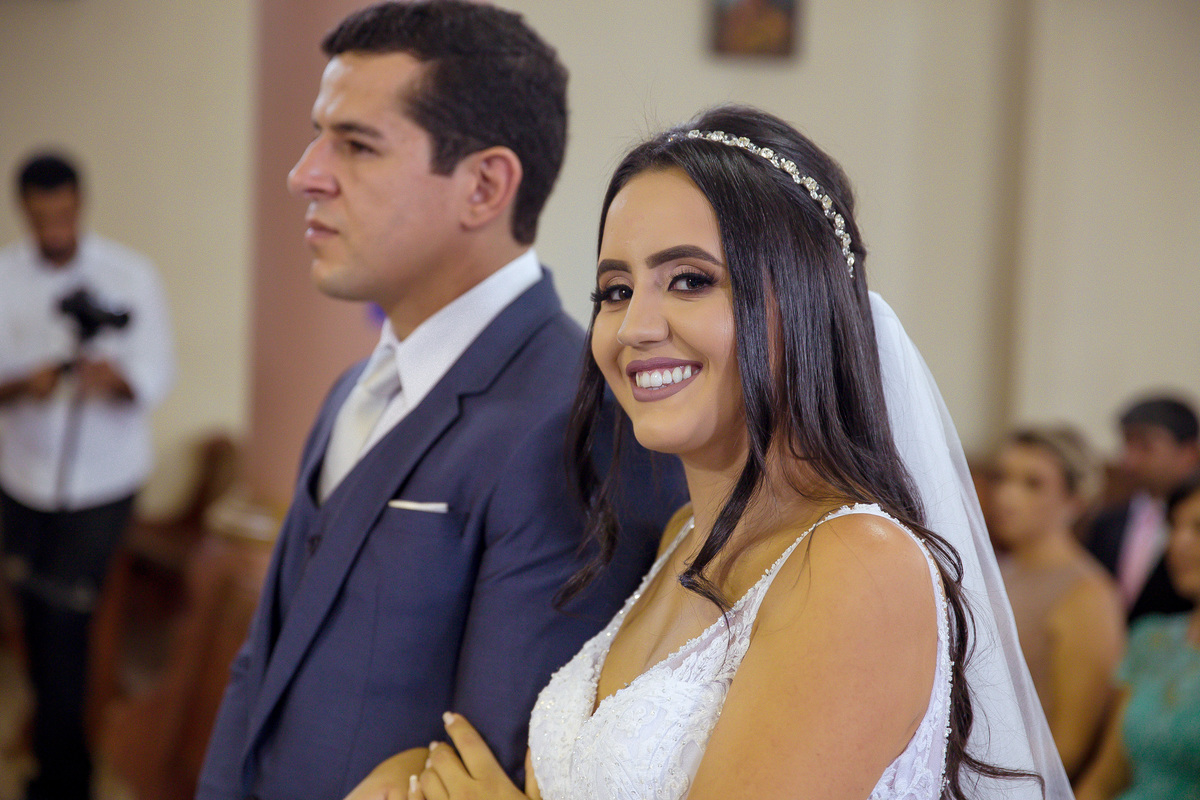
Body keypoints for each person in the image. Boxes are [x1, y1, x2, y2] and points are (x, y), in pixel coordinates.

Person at [406, 106, 1071, 800]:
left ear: (804, 303)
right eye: (616, 291)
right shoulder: (680, 539)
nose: (634, 327)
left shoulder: (856, 564)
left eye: (690, 280)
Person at [196, 4, 685, 800]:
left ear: (484, 185)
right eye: (319, 136)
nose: (305, 174)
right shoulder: (352, 391)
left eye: (357, 145)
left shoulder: (575, 420)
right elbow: (262, 668)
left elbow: (494, 763)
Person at [0, 152, 175, 800]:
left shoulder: (129, 275)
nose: (55, 228)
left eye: (64, 214)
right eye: (41, 217)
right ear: (24, 211)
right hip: (23, 478)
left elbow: (157, 370)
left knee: (67, 618)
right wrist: (27, 384)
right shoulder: (5, 279)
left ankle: (66, 773)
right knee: (33, 620)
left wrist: (116, 380)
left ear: (80, 204)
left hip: (102, 481)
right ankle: (53, 752)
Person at [992, 426, 1125, 781]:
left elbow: (1069, 743)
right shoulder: (996, 571)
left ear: (1076, 500)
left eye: (1032, 484)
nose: (1007, 496)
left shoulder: (1087, 594)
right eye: (1002, 478)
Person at [1075, 473, 1200, 800]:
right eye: (1173, 527)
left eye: (1198, 528)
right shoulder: (1150, 638)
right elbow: (1106, 776)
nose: (1178, 543)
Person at [1087, 396, 1199, 621]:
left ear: (1188, 453)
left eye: (1147, 447)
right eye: (1127, 444)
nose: (1130, 460)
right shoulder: (1105, 523)